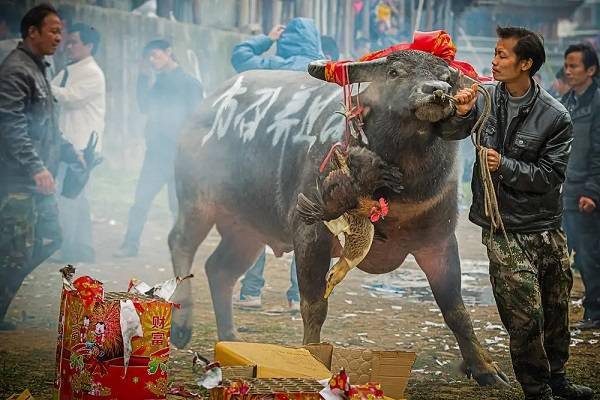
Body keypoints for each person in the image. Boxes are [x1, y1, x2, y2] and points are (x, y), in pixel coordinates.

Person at [438, 26, 593, 400]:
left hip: (544, 226)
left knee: (556, 310)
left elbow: (550, 176)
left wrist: (503, 165)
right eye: (494, 52)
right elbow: (449, 133)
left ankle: (558, 379)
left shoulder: (555, 116)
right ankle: (536, 390)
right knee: (524, 316)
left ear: (526, 63)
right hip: (501, 226)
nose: (494, 60)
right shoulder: (485, 99)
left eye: (503, 55)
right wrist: (459, 113)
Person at [230, 18, 325, 311]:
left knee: (258, 221)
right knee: (308, 224)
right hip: (311, 161)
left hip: (268, 160)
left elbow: (239, 56)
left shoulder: (271, 66)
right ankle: (299, 297)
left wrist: (266, 38)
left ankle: (251, 292)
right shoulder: (328, 71)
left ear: (286, 39)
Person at [0, 3, 82, 330]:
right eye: (53, 31)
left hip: (37, 179)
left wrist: (66, 149)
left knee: (51, 237)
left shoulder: (39, 67)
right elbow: (11, 124)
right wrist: (36, 166)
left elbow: (45, 123)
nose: (59, 38)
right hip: (19, 179)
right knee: (15, 253)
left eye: (61, 32)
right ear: (32, 32)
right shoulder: (16, 69)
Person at [114, 38, 203, 257]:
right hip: (155, 155)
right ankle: (130, 244)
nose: (152, 61)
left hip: (178, 156)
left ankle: (180, 248)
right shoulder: (158, 81)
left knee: (177, 207)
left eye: (155, 55)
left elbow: (195, 120)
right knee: (140, 201)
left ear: (169, 52)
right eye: (149, 58)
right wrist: (143, 76)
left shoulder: (189, 83)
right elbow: (144, 106)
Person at [51, 23, 106, 263]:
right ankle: (81, 248)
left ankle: (71, 248)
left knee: (70, 198)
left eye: (74, 42)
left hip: (82, 146)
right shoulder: (70, 69)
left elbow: (70, 98)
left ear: (89, 46)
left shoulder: (92, 72)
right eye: (68, 42)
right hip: (69, 144)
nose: (69, 46)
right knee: (76, 198)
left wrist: (42, 85)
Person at [561, 43, 600, 330]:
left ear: (591, 70)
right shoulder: (567, 100)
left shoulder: (597, 103)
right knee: (563, 252)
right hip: (565, 188)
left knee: (589, 254)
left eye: (574, 66)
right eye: (567, 65)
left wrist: (593, 191)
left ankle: (594, 311)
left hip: (586, 192)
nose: (568, 70)